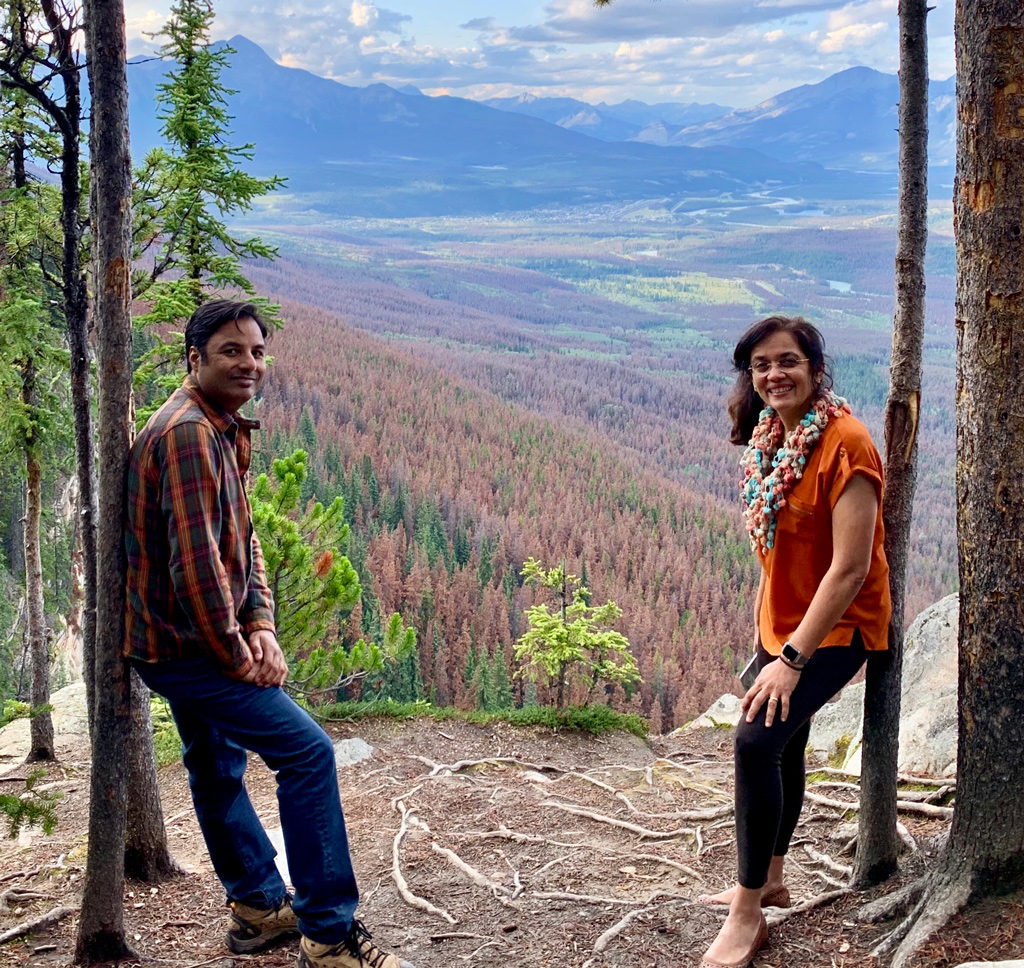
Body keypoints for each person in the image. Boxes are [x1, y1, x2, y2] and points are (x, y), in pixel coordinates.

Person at [124, 299, 414, 968]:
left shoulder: (217, 425)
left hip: (187, 641)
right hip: (183, 648)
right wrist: (238, 657)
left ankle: (257, 902)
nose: (249, 363)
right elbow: (195, 570)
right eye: (231, 350)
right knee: (308, 754)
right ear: (194, 358)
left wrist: (261, 624)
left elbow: (243, 539)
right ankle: (329, 934)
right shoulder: (190, 436)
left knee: (217, 763)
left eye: (256, 351)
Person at [698, 315, 891, 968]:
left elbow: (849, 569)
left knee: (754, 743)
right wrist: (768, 634)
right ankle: (772, 877)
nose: (774, 374)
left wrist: (790, 661)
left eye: (786, 361)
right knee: (786, 741)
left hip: (839, 626)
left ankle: (747, 912)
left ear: (815, 366)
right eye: (760, 366)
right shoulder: (770, 436)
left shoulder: (847, 444)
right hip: (782, 620)